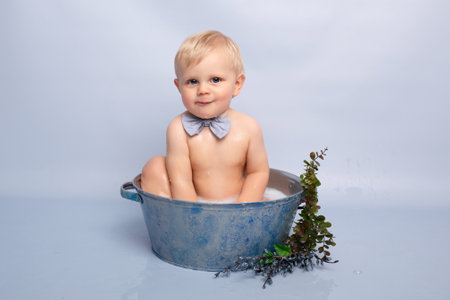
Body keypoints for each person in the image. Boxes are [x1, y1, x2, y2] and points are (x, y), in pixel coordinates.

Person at [141, 30, 269, 203]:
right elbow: (181, 180)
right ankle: (172, 221)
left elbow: (258, 173)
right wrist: (194, 218)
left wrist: (242, 208)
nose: (203, 90)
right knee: (154, 166)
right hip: (193, 205)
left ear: (237, 85)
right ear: (179, 87)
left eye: (215, 80)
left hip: (237, 206)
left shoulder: (249, 127)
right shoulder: (178, 128)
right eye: (192, 81)